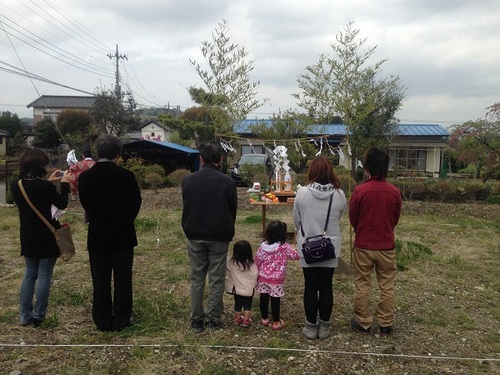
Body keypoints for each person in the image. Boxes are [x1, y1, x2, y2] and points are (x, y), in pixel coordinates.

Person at [78, 134, 142, 332]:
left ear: (98, 152)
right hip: (122, 234)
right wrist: (124, 219)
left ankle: (102, 319)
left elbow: (85, 203)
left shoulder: (86, 177)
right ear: (117, 154)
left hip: (97, 234)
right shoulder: (126, 176)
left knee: (100, 279)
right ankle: (122, 318)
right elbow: (135, 203)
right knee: (123, 279)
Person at [10, 148, 72, 327]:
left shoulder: (17, 185)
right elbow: (62, 203)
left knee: (29, 274)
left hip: (27, 236)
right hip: (47, 236)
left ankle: (24, 315)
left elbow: (33, 195)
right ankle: (39, 315)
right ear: (40, 165)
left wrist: (48, 182)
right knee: (44, 274)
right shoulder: (44, 187)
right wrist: (65, 184)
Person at [181, 140, 238, 333]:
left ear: (201, 159)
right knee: (216, 278)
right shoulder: (228, 182)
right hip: (219, 235)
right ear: (221, 160)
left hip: (194, 233)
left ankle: (197, 320)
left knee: (197, 278)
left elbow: (187, 206)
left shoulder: (188, 180)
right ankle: (214, 319)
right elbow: (232, 211)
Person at [349, 148, 402, 336]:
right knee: (386, 285)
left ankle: (363, 322)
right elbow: (395, 218)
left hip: (363, 245)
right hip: (386, 245)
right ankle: (386, 323)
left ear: (367, 168)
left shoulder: (360, 190)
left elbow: (353, 217)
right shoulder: (394, 192)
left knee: (362, 284)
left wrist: (361, 229)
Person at [293, 156, 347, 339]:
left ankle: (310, 326)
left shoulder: (302, 193)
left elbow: (296, 220)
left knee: (310, 286)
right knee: (326, 286)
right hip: (330, 247)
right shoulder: (339, 194)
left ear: (312, 171)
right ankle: (324, 326)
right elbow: (338, 217)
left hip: (307, 246)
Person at [255, 220, 299, 331]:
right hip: (277, 280)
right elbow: (296, 256)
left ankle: (264, 319)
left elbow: (257, 261)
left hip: (263, 277)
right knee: (275, 299)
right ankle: (276, 322)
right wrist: (295, 247)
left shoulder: (262, 247)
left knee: (263, 297)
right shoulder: (285, 247)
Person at [225, 240, 258, 327]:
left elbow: (225, 259)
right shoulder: (253, 264)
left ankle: (237, 319)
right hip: (248, 290)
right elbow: (255, 275)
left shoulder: (231, 262)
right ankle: (246, 320)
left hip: (237, 289)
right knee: (247, 305)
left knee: (237, 304)